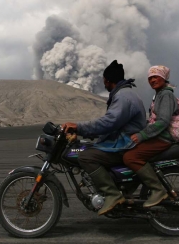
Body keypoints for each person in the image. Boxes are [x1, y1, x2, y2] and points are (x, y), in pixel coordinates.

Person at [63, 60, 146, 215]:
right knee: (90, 148)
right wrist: (85, 133)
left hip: (125, 144)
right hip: (124, 141)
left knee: (86, 157)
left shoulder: (123, 97)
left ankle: (112, 195)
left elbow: (109, 122)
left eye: (104, 81)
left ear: (108, 80)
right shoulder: (125, 94)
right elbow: (111, 125)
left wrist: (78, 126)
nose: (104, 84)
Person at [122, 65, 179, 208]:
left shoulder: (166, 95)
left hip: (163, 138)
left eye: (156, 76)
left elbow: (164, 121)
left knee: (130, 157)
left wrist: (142, 135)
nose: (152, 80)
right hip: (159, 136)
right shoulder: (159, 94)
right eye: (150, 78)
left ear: (164, 78)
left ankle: (157, 190)